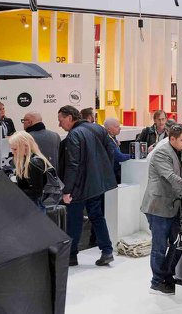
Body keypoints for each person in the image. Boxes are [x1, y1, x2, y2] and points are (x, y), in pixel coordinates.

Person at [57, 105, 117, 267]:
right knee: (97, 216)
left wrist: (67, 190)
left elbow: (73, 164)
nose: (59, 124)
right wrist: (102, 173)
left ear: (70, 118)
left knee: (74, 220)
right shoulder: (98, 129)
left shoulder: (74, 135)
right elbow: (111, 151)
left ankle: (71, 256)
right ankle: (107, 251)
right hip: (96, 183)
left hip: (79, 185)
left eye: (61, 120)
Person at [141, 123, 182, 294]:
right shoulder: (161, 153)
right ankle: (156, 283)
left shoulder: (181, 153)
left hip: (173, 206)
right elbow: (171, 177)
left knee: (177, 243)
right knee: (159, 247)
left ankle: (167, 277)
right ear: (172, 139)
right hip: (158, 207)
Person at [9, 131, 52, 210]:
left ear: (25, 146)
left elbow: (37, 192)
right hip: (30, 204)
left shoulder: (34, 163)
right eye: (12, 149)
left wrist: (16, 191)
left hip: (33, 206)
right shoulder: (26, 161)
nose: (12, 152)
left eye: (15, 149)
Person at [104, 118, 132, 183]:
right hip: (111, 175)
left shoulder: (112, 138)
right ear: (109, 129)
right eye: (116, 127)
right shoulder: (108, 141)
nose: (120, 128)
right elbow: (120, 157)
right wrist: (133, 155)